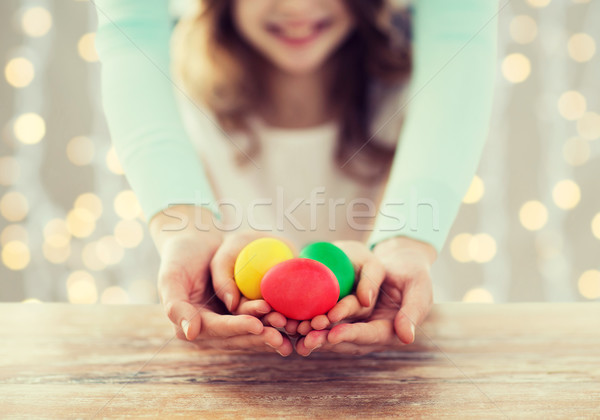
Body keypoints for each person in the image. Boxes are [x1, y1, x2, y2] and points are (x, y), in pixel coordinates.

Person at [94, 0, 498, 357]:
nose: (295, 6)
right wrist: (185, 232)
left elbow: (461, 25)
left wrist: (405, 245)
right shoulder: (184, 107)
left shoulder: (410, 100)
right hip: (228, 368)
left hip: (386, 362)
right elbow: (129, 25)